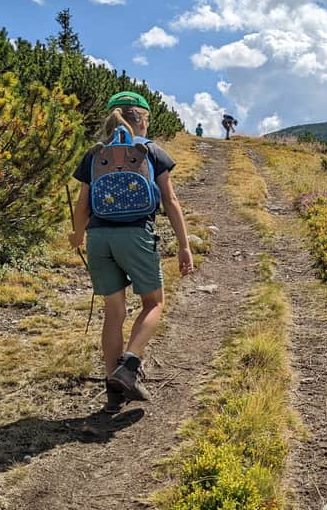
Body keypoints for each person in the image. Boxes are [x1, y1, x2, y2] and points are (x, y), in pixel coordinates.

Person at [69, 91, 195, 413]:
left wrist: (78, 234)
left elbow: (83, 204)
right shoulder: (150, 151)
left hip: (99, 237)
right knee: (154, 303)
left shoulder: (95, 154)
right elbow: (171, 201)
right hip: (136, 235)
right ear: (141, 119)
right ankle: (129, 365)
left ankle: (113, 392)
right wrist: (183, 245)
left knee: (114, 313)